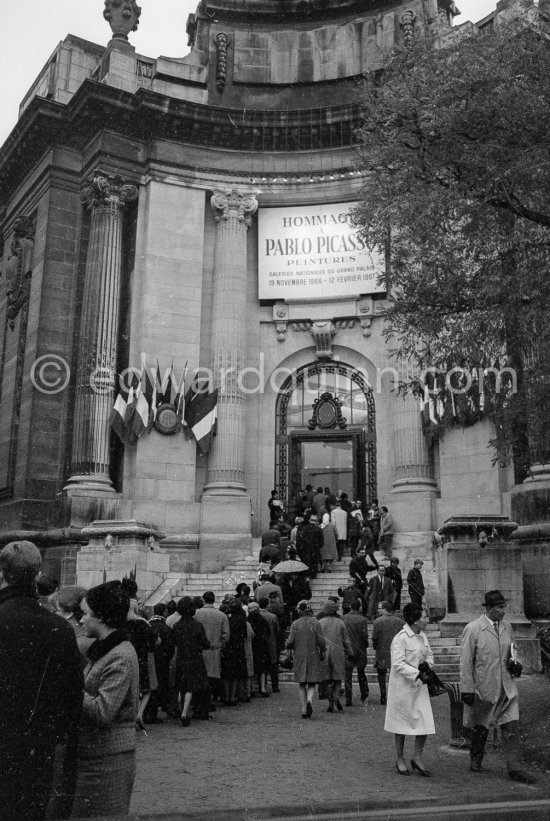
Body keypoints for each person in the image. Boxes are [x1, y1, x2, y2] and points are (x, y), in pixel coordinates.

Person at [0, 541, 83, 821]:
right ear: (36, 576)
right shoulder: (60, 629)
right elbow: (73, 697)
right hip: (36, 749)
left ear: (2, 574)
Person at [72, 580, 139, 818]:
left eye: (86, 614)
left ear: (101, 617)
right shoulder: (106, 648)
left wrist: (71, 688)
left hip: (107, 760)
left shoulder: (119, 655)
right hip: (95, 756)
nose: (81, 620)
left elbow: (103, 711)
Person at [459, 590, 537, 783]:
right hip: (485, 687)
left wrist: (516, 663)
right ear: (490, 609)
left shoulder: (507, 627)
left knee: (511, 725)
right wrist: (467, 688)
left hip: (507, 687)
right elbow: (466, 661)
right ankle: (476, 758)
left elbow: (512, 651)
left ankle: (515, 768)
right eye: (500, 607)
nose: (504, 611)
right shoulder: (473, 629)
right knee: (481, 725)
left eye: (504, 607)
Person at [384, 603, 435, 776]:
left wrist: (427, 666)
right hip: (403, 687)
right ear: (415, 619)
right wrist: (417, 673)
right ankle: (400, 759)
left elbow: (429, 654)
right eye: (424, 616)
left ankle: (417, 757)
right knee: (401, 724)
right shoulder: (401, 638)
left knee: (425, 722)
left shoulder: (423, 636)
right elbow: (398, 663)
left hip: (420, 687)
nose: (427, 620)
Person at [172, 597, 210, 725]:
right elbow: (205, 643)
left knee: (182, 685)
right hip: (195, 658)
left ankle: (182, 708)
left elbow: (175, 642)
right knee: (190, 687)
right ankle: (185, 713)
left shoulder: (176, 625)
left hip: (181, 658)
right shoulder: (197, 625)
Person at [286, 599, 326, 718]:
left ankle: (304, 709)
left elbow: (290, 641)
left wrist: (288, 645)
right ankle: (309, 700)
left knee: (302, 683)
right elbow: (321, 641)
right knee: (312, 682)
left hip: (299, 655)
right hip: (313, 654)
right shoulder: (316, 623)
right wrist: (322, 649)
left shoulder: (295, 623)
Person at [195, 590, 230, 708]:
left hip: (200, 649)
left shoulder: (196, 614)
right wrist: (221, 644)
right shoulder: (222, 615)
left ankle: (202, 701)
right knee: (213, 677)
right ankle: (210, 700)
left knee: (201, 676)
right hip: (216, 650)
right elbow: (226, 634)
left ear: (203, 600)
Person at [318, 599, 353, 712]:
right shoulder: (340, 622)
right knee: (337, 679)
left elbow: (317, 640)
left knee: (327, 680)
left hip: (324, 653)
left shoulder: (320, 622)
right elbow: (346, 640)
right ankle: (336, 698)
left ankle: (330, 702)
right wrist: (350, 652)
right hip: (338, 653)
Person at [146, 603, 175, 723]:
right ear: (164, 612)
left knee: (149, 686)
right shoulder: (166, 628)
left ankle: (146, 712)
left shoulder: (147, 626)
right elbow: (170, 648)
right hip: (161, 661)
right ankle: (154, 713)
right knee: (159, 686)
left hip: (148, 658)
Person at [371, 600, 403, 705]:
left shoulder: (377, 621)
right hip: (395, 650)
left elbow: (374, 637)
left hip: (382, 649)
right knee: (395, 673)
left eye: (380, 608)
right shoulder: (399, 621)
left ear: (385, 609)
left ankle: (383, 694)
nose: (378, 610)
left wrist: (375, 646)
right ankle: (395, 694)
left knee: (381, 673)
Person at [221, 597, 249, 705]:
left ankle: (226, 696)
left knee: (227, 674)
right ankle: (233, 697)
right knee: (236, 675)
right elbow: (244, 634)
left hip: (228, 647)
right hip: (238, 647)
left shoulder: (226, 616)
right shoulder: (242, 617)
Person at [342, 599, 370, 705]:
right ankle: (364, 694)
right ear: (359, 607)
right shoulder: (362, 619)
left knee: (347, 675)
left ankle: (348, 698)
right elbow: (364, 635)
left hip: (348, 649)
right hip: (359, 649)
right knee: (361, 673)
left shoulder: (343, 618)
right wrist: (365, 644)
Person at [247, 601, 271, 696]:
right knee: (262, 669)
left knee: (252, 668)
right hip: (261, 645)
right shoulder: (262, 620)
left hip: (251, 645)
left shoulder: (248, 620)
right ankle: (263, 689)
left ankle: (252, 688)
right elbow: (268, 632)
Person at [258, 596, 282, 693]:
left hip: (261, 643)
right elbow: (277, 630)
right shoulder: (273, 616)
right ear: (267, 605)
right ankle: (275, 686)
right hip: (271, 643)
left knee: (262, 666)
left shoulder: (257, 615)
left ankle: (262, 686)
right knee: (273, 666)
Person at [296, 510, 323, 577]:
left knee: (307, 562)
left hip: (305, 549)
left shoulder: (303, 529)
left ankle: (307, 575)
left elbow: (299, 539)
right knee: (314, 561)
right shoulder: (318, 529)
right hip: (315, 548)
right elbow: (321, 541)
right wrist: (319, 546)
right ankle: (314, 574)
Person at [320, 503, 338, 572]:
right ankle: (329, 566)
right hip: (331, 543)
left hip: (323, 544)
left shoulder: (320, 526)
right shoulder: (332, 525)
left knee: (324, 556)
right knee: (330, 557)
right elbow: (336, 534)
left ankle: (324, 566)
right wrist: (336, 540)